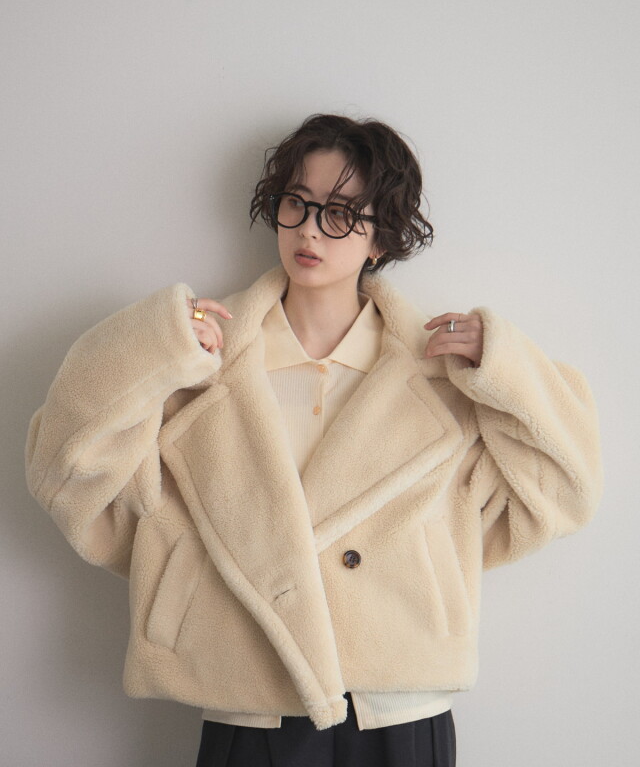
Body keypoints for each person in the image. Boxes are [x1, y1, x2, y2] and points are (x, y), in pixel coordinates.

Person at [25, 114, 603, 767]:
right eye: (296, 203)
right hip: (250, 700)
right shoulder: (198, 367)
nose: (308, 229)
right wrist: (154, 347)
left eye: (341, 213)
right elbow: (63, 473)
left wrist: (507, 368)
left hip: (400, 705)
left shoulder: (445, 381)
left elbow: (569, 489)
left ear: (381, 236)